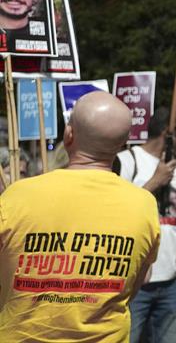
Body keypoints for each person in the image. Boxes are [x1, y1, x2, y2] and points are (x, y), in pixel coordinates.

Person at [0, 91, 160, 339]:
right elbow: (135, 283)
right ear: (122, 144)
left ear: (69, 134)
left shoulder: (17, 196)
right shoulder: (144, 205)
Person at [115, 107, 176, 343]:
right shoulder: (127, 161)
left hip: (173, 276)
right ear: (167, 133)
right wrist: (154, 182)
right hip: (139, 277)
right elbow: (119, 209)